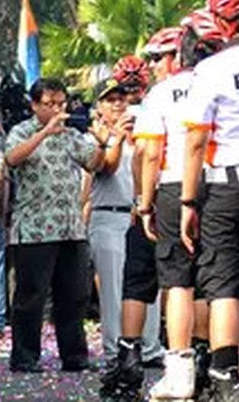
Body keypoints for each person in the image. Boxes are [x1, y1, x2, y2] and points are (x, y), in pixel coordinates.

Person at [139, 18, 222, 401]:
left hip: (174, 185)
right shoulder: (219, 77)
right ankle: (227, 362)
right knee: (223, 281)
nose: (155, 65)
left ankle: (180, 372)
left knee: (178, 282)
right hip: (222, 179)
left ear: (177, 55)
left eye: (159, 56)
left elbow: (151, 151)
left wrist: (144, 203)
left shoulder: (162, 93)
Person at [4, 77, 104, 373]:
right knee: (31, 296)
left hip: (70, 226)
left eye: (61, 103)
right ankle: (25, 356)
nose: (57, 109)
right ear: (35, 105)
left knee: (73, 295)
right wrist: (45, 133)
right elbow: (12, 157)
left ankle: (75, 356)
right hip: (35, 228)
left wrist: (103, 140)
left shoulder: (71, 135)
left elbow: (94, 163)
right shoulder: (21, 131)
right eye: (49, 104)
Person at [181, 0, 239, 401]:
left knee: (224, 283)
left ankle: (226, 373)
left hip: (228, 184)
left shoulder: (211, 69)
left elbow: (195, 139)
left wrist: (188, 200)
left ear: (221, 24)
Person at [86, 78, 163, 370]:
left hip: (141, 214)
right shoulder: (94, 136)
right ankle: (115, 349)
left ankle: (149, 347)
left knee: (146, 283)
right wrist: (115, 138)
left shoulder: (143, 132)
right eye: (109, 100)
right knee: (114, 286)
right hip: (109, 214)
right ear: (99, 106)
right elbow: (107, 167)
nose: (117, 104)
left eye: (121, 98)